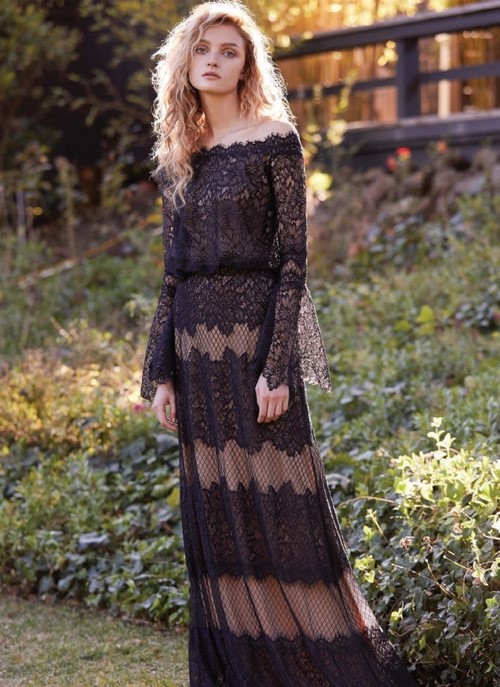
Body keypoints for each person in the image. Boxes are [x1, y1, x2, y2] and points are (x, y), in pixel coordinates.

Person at [141, 2, 417, 685]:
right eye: (203, 49)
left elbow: (293, 263)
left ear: (247, 65)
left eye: (229, 51)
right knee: (219, 510)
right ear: (186, 60)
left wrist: (278, 367)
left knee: (283, 504)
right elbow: (172, 272)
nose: (213, 60)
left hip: (254, 342)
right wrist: (160, 372)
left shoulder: (275, 138)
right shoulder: (180, 152)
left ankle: (324, 663)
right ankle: (248, 667)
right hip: (194, 349)